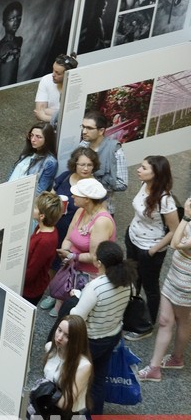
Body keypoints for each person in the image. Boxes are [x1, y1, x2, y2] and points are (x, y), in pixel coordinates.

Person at [70, 241, 135, 420]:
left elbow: (78, 316)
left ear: (98, 263)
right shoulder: (127, 280)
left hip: (90, 340)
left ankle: (66, 416)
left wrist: (77, 298)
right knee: (98, 379)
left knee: (74, 376)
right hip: (112, 335)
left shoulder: (96, 287)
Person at [124, 156, 179, 339]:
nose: (139, 170)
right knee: (133, 279)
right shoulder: (143, 185)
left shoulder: (165, 200)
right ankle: (132, 314)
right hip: (133, 238)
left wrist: (154, 250)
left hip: (150, 248)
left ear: (156, 174)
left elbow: (174, 230)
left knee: (150, 286)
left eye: (144, 168)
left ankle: (147, 325)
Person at [138, 198, 191, 382]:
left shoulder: (189, 217)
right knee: (165, 320)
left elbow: (175, 242)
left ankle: (172, 360)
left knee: (181, 319)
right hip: (175, 275)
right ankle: (162, 364)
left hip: (185, 281)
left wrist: (186, 217)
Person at [54, 178, 116, 317]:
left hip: (88, 278)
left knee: (76, 316)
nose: (72, 196)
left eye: (76, 194)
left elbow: (95, 257)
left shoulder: (101, 222)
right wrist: (66, 251)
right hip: (72, 271)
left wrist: (71, 256)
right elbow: (68, 238)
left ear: (87, 199)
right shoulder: (80, 211)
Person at [37, 315, 92, 420]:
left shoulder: (83, 366)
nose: (59, 337)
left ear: (76, 341)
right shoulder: (50, 348)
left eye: (67, 335)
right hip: (45, 412)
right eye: (59, 330)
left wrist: (41, 390)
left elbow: (66, 402)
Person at [79, 110, 128, 211]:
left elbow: (123, 184)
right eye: (83, 127)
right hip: (82, 206)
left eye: (89, 128)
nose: (84, 131)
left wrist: (97, 182)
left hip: (103, 209)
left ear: (101, 131)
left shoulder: (115, 150)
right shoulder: (82, 145)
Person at [23, 192, 62, 306]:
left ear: (42, 216)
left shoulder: (45, 241)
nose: (32, 208)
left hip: (30, 290)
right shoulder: (42, 228)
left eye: (35, 208)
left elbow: (31, 272)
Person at [8, 122, 58, 195]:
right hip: (9, 190)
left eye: (38, 137)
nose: (33, 139)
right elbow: (13, 172)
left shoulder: (50, 162)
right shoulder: (29, 152)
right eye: (31, 135)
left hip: (21, 197)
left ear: (47, 139)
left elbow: (40, 190)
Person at [0, 1, 23, 89]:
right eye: (11, 19)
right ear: (4, 22)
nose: (15, 22)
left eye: (18, 18)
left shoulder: (19, 40)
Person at [33, 53, 78, 123]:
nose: (53, 75)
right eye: (53, 70)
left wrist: (45, 116)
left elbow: (71, 118)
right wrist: (58, 115)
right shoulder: (46, 80)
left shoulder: (75, 85)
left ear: (68, 75)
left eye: (58, 73)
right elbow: (39, 112)